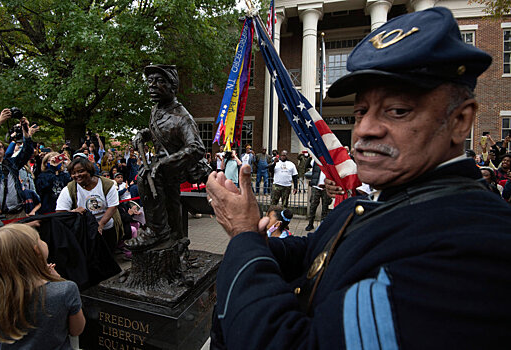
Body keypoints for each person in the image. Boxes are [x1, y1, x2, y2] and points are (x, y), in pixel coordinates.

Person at [206, 8, 511, 349]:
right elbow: (318, 249)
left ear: (460, 121)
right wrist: (259, 243)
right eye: (361, 111)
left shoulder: (477, 245)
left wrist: (244, 238)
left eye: (397, 110)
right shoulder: (389, 195)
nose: (364, 129)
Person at [125, 64, 210, 250]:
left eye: (160, 81)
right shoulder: (156, 110)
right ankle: (176, 236)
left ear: (173, 86)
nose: (152, 85)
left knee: (146, 179)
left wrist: (165, 163)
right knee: (171, 201)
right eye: (150, 81)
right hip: (165, 166)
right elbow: (161, 131)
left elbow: (196, 147)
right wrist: (144, 134)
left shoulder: (182, 117)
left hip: (178, 165)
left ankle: (157, 231)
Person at [0, 224, 85, 348]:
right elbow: (77, 330)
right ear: (37, 250)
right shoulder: (65, 289)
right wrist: (58, 281)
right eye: (40, 238)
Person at [56, 157, 122, 251]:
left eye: (81, 171)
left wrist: (101, 224)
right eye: (73, 173)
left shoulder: (107, 184)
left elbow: (113, 206)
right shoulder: (69, 189)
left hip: (107, 228)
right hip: (85, 230)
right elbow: (60, 211)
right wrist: (74, 212)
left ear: (89, 170)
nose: (77, 175)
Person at [0, 110, 38, 220]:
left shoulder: (11, 164)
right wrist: (1, 120)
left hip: (17, 212)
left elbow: (27, 151)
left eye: (0, 147)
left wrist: (25, 130)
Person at [305, 161, 331, 231]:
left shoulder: (329, 162)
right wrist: (309, 157)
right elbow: (307, 165)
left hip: (326, 187)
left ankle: (323, 224)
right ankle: (310, 223)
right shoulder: (316, 161)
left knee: (325, 206)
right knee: (313, 205)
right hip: (316, 186)